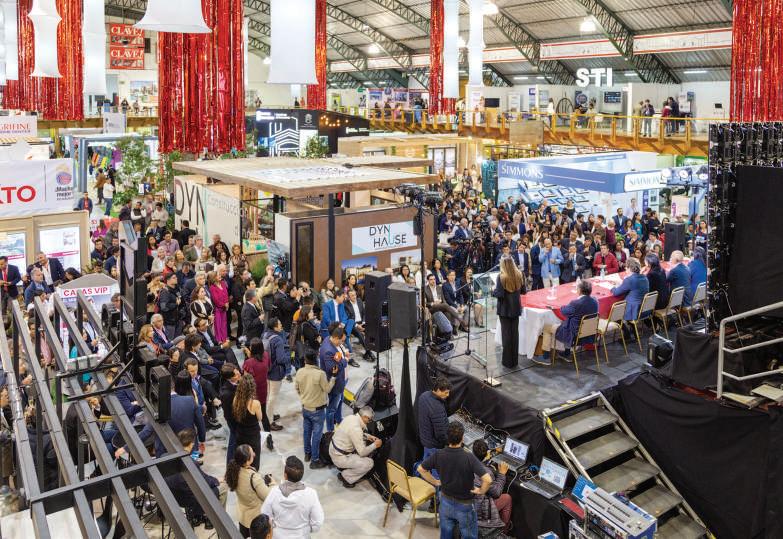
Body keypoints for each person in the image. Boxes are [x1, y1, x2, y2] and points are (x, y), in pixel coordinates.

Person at [417, 422, 492, 539]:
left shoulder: (439, 454)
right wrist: (481, 491)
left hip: (445, 501)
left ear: (448, 437)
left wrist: (435, 482)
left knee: (446, 534)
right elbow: (488, 480)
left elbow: (421, 469)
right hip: (464, 505)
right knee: (469, 535)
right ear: (462, 438)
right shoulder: (469, 457)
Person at [534, 280, 599, 364]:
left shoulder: (576, 303)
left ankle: (545, 357)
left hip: (574, 334)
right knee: (568, 322)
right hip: (588, 333)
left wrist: (563, 306)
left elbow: (564, 311)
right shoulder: (595, 301)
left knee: (546, 327)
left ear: (579, 290)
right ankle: (566, 353)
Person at [261, 456, 324, 538]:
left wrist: (275, 528)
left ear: (285, 475)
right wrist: (306, 530)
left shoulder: (274, 492)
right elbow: (318, 522)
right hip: (302, 536)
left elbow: (265, 515)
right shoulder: (311, 494)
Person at [295, 350, 336, 469]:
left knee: (306, 432)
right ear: (316, 360)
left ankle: (307, 454)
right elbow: (327, 389)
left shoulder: (299, 372)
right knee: (316, 435)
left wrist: (305, 397)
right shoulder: (320, 374)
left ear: (305, 360)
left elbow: (297, 388)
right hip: (318, 410)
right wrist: (333, 377)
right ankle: (315, 460)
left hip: (305, 408)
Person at [225, 444, 276, 538]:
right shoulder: (253, 477)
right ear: (247, 461)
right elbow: (268, 496)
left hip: (242, 515)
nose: (254, 454)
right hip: (254, 519)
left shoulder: (234, 470)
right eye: (252, 453)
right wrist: (273, 484)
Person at [329, 406, 382, 488]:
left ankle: (345, 468)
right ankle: (346, 477)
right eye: (370, 419)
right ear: (364, 417)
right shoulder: (356, 429)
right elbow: (362, 453)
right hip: (340, 457)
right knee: (369, 463)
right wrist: (375, 445)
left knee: (362, 446)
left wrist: (368, 436)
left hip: (334, 449)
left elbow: (352, 434)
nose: (370, 422)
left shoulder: (351, 417)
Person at [471, 439, 512, 533]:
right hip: (479, 510)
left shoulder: (466, 461)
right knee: (507, 498)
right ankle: (502, 532)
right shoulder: (486, 473)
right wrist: (502, 474)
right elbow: (496, 493)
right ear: (487, 454)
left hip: (464, 504)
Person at [242, 338, 278, 442]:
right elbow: (268, 367)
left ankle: (255, 438)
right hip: (263, 389)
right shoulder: (266, 355)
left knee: (252, 416)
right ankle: (269, 439)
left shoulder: (248, 363)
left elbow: (246, 379)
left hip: (252, 392)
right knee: (263, 415)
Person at [493, 257, 523, 368]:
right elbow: (523, 291)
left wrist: (493, 290)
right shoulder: (519, 274)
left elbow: (499, 294)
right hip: (516, 309)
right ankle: (514, 361)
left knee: (506, 336)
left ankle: (507, 362)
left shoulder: (501, 277)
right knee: (514, 335)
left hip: (505, 310)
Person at [416, 376, 450, 468]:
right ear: (438, 390)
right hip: (434, 446)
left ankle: (422, 473)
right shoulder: (437, 407)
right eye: (446, 392)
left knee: (426, 464)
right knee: (436, 469)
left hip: (425, 440)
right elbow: (441, 434)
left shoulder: (423, 396)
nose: (448, 395)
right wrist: (449, 443)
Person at [319, 324, 348, 431]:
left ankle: (339, 419)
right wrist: (345, 361)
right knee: (331, 409)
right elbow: (332, 369)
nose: (342, 343)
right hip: (335, 384)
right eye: (341, 341)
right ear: (336, 337)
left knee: (340, 401)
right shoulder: (328, 350)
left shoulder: (329, 339)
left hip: (341, 381)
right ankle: (330, 430)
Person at [233, 373, 264, 470]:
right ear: (252, 388)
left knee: (242, 459)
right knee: (253, 459)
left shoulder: (236, 400)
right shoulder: (255, 403)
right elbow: (260, 418)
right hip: (252, 435)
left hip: (240, 433)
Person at [262, 317, 288, 430]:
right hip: (276, 371)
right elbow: (281, 358)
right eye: (279, 324)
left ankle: (269, 414)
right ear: (275, 327)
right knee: (273, 396)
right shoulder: (278, 340)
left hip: (266, 369)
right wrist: (289, 357)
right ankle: (269, 421)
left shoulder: (264, 335)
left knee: (268, 395)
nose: (281, 325)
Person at [611, 258, 651, 324]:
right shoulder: (644, 277)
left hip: (633, 311)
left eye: (626, 267)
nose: (625, 268)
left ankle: (625, 330)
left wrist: (612, 287)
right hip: (645, 309)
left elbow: (616, 293)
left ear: (630, 268)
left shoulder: (629, 280)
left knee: (614, 312)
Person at [343, 288, 374, 362]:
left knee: (372, 329)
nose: (354, 297)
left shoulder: (359, 300)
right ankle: (369, 351)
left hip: (362, 322)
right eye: (352, 295)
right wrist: (357, 325)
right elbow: (348, 318)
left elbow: (364, 313)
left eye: (355, 295)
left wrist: (363, 322)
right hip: (353, 324)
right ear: (348, 297)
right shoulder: (345, 304)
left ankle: (370, 350)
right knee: (360, 334)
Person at [220, 364, 242, 464]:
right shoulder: (226, 393)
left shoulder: (237, 382)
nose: (239, 374)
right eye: (236, 374)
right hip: (234, 420)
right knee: (233, 440)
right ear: (229, 378)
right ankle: (230, 463)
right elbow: (228, 413)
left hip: (239, 416)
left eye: (238, 372)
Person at [0, 256, 21, 322]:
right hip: (2, 293)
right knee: (3, 309)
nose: (0, 266)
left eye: (2, 264)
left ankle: (14, 323)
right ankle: (5, 324)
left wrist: (11, 283)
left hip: (12, 292)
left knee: (11, 308)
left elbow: (18, 278)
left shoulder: (14, 268)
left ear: (6, 262)